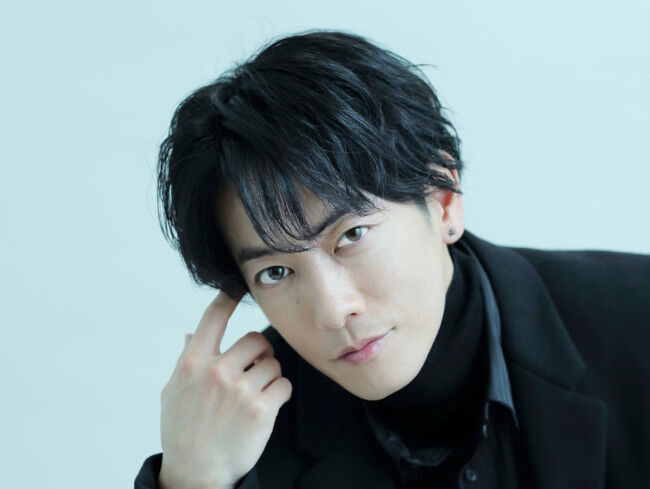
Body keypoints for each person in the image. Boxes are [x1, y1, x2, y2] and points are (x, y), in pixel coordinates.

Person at [134, 30, 650, 489]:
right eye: (275, 272)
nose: (332, 311)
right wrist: (190, 481)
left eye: (352, 235)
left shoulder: (636, 322)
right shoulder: (243, 440)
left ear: (443, 200)